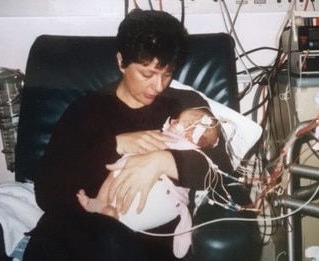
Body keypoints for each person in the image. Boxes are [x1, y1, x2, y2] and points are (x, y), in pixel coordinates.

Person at [24, 9, 235, 261]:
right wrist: (116, 145)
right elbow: (48, 191)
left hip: (143, 240)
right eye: (147, 74)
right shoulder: (88, 109)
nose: (158, 86)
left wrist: (162, 161)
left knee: (112, 242)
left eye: (167, 74)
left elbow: (224, 171)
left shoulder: (184, 107)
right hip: (79, 231)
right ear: (121, 61)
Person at [76, 107, 221, 258]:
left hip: (165, 195)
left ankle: (117, 221)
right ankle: (101, 203)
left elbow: (212, 167)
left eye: (180, 122)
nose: (173, 122)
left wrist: (164, 157)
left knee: (137, 212)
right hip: (128, 173)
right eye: (176, 119)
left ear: (194, 134)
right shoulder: (97, 107)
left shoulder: (191, 148)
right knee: (119, 168)